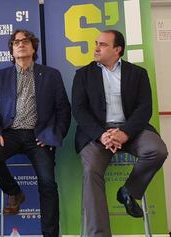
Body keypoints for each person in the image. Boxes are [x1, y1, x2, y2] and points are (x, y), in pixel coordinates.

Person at [72, 29, 168, 236]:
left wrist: (124, 133)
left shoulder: (138, 74)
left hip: (132, 130)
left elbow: (144, 109)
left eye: (103, 44)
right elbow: (79, 110)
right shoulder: (83, 75)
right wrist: (102, 135)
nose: (96, 48)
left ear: (117, 49)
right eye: (96, 43)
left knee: (157, 150)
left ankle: (128, 191)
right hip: (97, 134)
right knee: (91, 171)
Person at [0, 29, 71, 237]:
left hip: (38, 136)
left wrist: (53, 136)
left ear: (33, 47)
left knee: (48, 183)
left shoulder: (51, 75)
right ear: (11, 51)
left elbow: (63, 110)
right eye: (16, 42)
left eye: (25, 41)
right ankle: (15, 193)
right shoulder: (0, 77)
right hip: (10, 134)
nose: (20, 44)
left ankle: (50, 235)